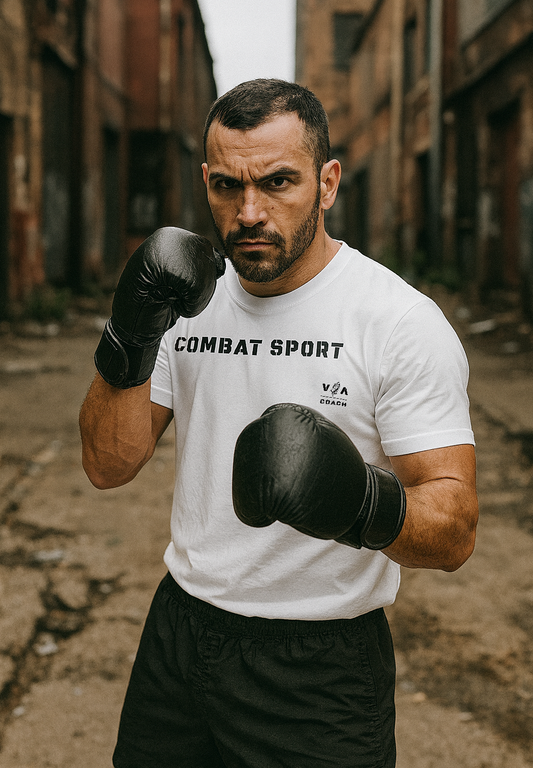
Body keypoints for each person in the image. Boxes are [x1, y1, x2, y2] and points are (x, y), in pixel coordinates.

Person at [79, 78, 478, 768]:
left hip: (319, 664)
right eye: (227, 186)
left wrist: (358, 503)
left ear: (326, 183)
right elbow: (108, 465)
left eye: (277, 182)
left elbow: (454, 531)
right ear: (205, 180)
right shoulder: (185, 303)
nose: (248, 211)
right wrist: (130, 334)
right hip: (181, 632)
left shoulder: (398, 323)